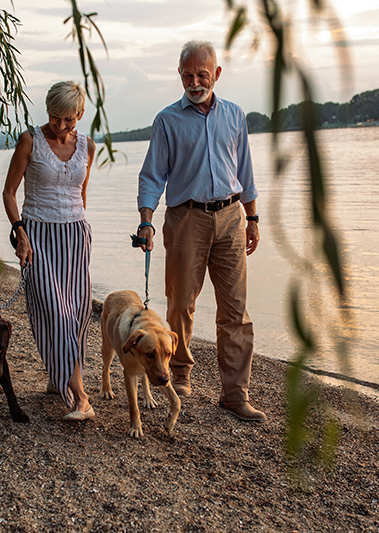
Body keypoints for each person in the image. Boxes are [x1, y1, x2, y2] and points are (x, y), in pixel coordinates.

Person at [135, 41, 266, 422]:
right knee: (180, 304)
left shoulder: (235, 115)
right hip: (186, 218)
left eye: (202, 75)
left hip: (230, 218)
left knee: (235, 312)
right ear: (180, 75)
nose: (195, 82)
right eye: (188, 75)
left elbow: (246, 173)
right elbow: (152, 177)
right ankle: (178, 376)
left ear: (217, 75)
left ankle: (234, 394)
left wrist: (253, 218)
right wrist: (146, 220)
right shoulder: (166, 121)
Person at [2, 81, 96, 421]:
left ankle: (60, 381)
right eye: (55, 118)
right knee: (56, 313)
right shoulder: (30, 141)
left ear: (80, 115)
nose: (61, 126)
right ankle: (80, 397)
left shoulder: (88, 145)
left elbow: (81, 194)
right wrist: (20, 233)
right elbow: (9, 193)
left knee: (80, 313)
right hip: (38, 235)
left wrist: (83, 234)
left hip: (75, 236)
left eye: (69, 120)